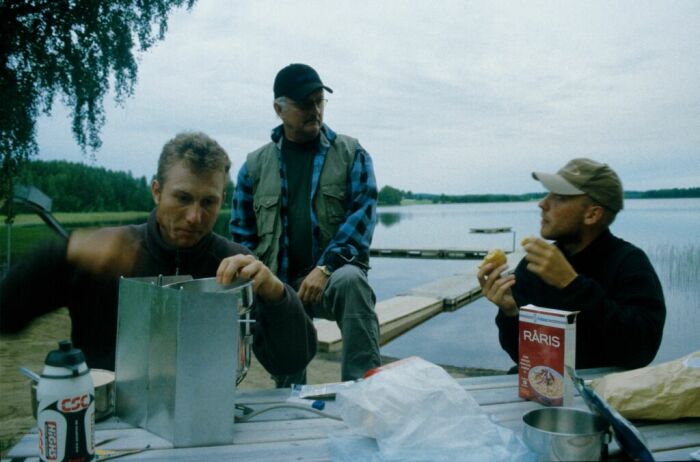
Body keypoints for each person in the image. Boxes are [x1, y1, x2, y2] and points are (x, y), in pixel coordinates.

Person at [0, 132, 317, 378]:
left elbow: (290, 362)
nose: (194, 217)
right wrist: (66, 252)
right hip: (110, 423)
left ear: (223, 199)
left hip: (206, 422)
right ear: (156, 191)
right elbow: (8, 313)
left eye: (208, 202)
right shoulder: (109, 253)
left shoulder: (234, 265)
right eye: (182, 197)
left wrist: (277, 294)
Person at [230, 63, 380, 384]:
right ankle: (288, 400)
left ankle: (365, 390)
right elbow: (242, 240)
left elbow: (361, 221)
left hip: (332, 278)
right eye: (304, 104)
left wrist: (324, 268)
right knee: (287, 380)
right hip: (278, 285)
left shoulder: (352, 154)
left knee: (354, 282)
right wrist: (267, 288)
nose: (315, 111)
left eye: (319, 101)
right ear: (279, 109)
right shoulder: (253, 167)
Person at [478, 158, 666, 370]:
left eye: (558, 197)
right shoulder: (535, 265)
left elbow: (641, 351)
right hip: (546, 387)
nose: (542, 204)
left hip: (605, 393)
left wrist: (572, 284)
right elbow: (521, 355)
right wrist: (511, 313)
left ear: (592, 214)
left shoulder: (629, 263)